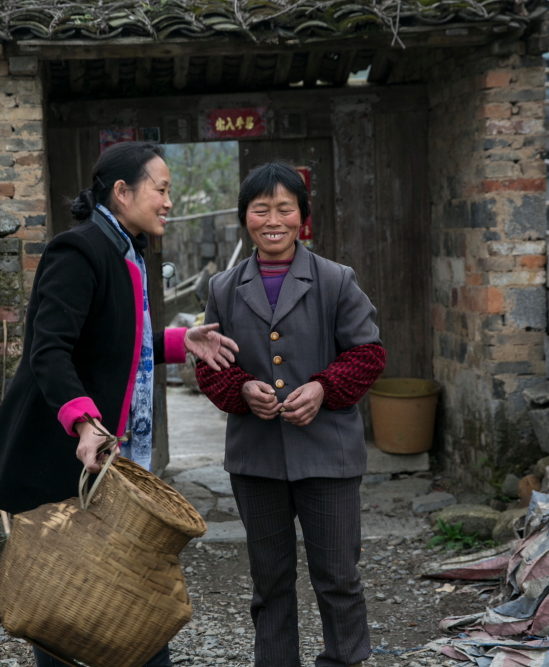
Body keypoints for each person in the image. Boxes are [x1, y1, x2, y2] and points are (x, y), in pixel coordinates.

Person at [0, 141, 239, 667]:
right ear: (122, 191)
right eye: (160, 190)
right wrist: (85, 422)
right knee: (65, 608)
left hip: (105, 459)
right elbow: (49, 350)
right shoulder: (79, 251)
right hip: (68, 455)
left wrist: (184, 343)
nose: (167, 202)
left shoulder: (126, 253)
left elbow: (116, 343)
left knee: (118, 599)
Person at [195, 161, 386, 667]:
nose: (273, 219)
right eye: (261, 209)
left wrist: (324, 387)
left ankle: (344, 661)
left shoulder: (336, 280)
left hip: (328, 455)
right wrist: (241, 389)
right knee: (270, 580)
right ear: (245, 218)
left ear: (303, 216)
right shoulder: (221, 288)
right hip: (256, 460)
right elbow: (209, 365)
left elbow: (368, 355)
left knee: (338, 577)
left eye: (285, 208)